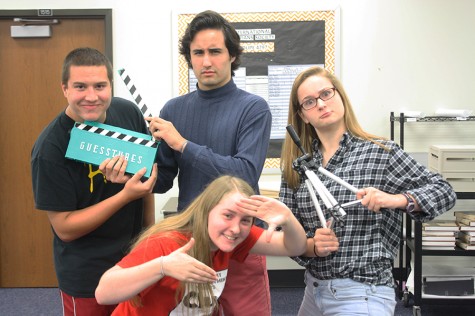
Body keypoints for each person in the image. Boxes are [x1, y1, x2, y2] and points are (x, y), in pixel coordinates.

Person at [279, 66, 457, 316]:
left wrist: (394, 199)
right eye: (309, 101)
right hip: (313, 291)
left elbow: (444, 191)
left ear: (340, 96)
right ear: (303, 115)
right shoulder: (298, 166)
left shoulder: (381, 152)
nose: (320, 104)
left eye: (326, 94)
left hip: (364, 293)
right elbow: (285, 232)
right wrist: (311, 246)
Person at [147, 10, 273, 315]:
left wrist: (183, 145)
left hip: (240, 239)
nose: (206, 61)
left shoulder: (253, 108)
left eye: (215, 52)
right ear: (189, 58)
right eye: (198, 53)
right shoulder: (173, 109)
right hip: (191, 241)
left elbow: (244, 173)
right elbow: (162, 179)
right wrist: (132, 165)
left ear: (232, 56)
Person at [31, 47, 158, 316]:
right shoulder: (50, 149)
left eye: (100, 86)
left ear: (111, 85)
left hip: (134, 261)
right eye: (80, 86)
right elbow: (64, 228)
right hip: (87, 275)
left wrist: (149, 237)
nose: (91, 96)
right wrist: (124, 195)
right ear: (64, 88)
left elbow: (145, 176)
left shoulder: (128, 114)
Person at [95, 175, 307, 315]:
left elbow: (294, 247)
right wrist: (162, 266)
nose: (235, 228)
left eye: (245, 220)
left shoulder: (232, 238)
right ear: (206, 212)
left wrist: (288, 219)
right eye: (227, 215)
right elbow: (103, 293)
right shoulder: (167, 243)